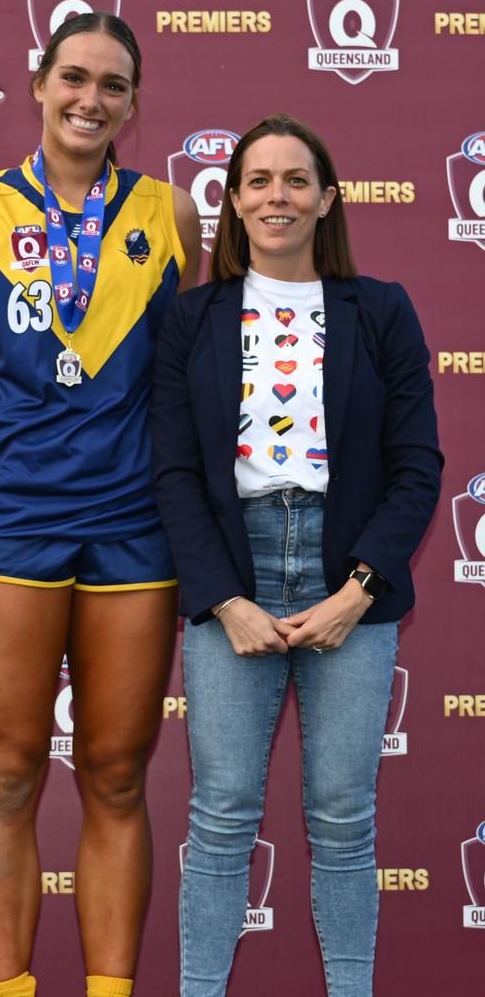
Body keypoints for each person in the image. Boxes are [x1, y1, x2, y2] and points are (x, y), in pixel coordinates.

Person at [0, 12, 200, 997]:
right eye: (72, 77)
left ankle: (112, 988)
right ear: (37, 83)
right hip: (10, 520)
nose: (89, 99)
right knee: (8, 772)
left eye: (111, 85)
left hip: (135, 526)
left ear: (132, 104)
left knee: (117, 774)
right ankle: (9, 988)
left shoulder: (169, 213)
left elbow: (176, 381)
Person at [151, 113, 442, 997]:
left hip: (346, 569)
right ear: (233, 202)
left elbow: (417, 467)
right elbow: (171, 473)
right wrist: (222, 600)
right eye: (259, 181)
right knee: (223, 813)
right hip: (231, 570)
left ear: (326, 198)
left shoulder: (381, 308)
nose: (277, 195)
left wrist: (359, 590)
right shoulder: (191, 317)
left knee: (345, 818)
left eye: (296, 179)